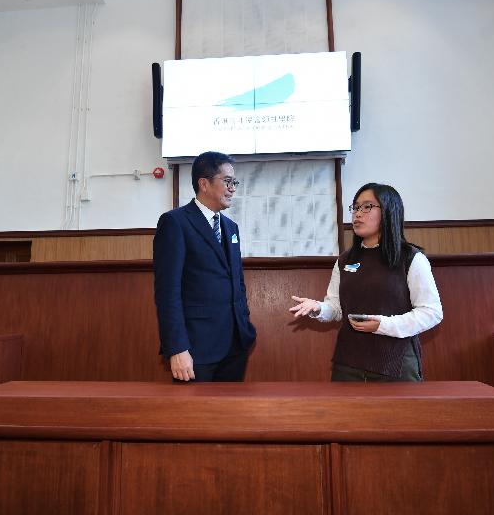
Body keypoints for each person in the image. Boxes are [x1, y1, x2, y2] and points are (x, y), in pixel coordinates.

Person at [289, 183, 442, 381]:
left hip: (395, 366)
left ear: (388, 212)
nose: (357, 214)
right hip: (348, 365)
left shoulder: (410, 258)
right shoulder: (345, 260)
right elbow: (336, 308)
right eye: (356, 207)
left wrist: (382, 325)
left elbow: (432, 312)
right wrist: (317, 308)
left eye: (367, 206)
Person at [153, 151, 257, 382]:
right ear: (204, 184)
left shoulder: (231, 227)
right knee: (194, 418)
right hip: (195, 349)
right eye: (227, 181)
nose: (233, 188)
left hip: (235, 345)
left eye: (235, 182)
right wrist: (177, 348)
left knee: (229, 418)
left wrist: (244, 322)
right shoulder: (175, 223)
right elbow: (167, 292)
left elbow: (236, 281)